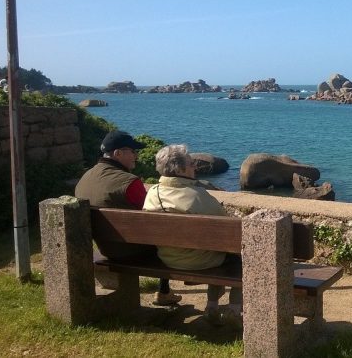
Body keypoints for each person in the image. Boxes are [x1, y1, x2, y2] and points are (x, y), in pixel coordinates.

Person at [75, 130, 182, 306]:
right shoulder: (129, 182)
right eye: (132, 151)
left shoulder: (86, 177)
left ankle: (165, 291)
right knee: (166, 232)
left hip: (104, 247)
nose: (136, 156)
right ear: (117, 153)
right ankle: (163, 291)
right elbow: (153, 218)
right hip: (129, 250)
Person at [143, 144, 242, 328]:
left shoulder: (152, 193)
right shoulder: (197, 196)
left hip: (167, 257)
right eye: (191, 163)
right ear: (180, 169)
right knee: (238, 259)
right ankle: (232, 309)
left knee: (217, 250)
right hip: (199, 260)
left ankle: (212, 308)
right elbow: (230, 228)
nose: (195, 167)